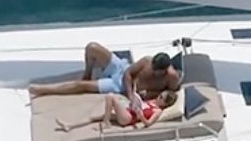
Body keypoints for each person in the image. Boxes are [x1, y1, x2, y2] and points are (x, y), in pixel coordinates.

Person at [28, 44, 180, 103]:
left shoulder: (172, 77)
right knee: (92, 48)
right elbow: (128, 73)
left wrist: (149, 94)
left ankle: (42, 90)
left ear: (164, 70)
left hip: (118, 86)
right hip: (121, 69)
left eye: (156, 71)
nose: (153, 72)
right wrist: (131, 95)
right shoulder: (147, 61)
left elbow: (170, 94)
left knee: (81, 86)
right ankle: (87, 73)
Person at [56, 90, 177, 133]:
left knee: (110, 97)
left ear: (165, 103)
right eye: (160, 95)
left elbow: (148, 123)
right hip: (128, 111)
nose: (158, 97)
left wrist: (141, 117)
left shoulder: (157, 111)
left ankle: (106, 123)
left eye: (161, 98)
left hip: (128, 118)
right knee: (94, 117)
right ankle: (69, 126)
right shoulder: (152, 101)